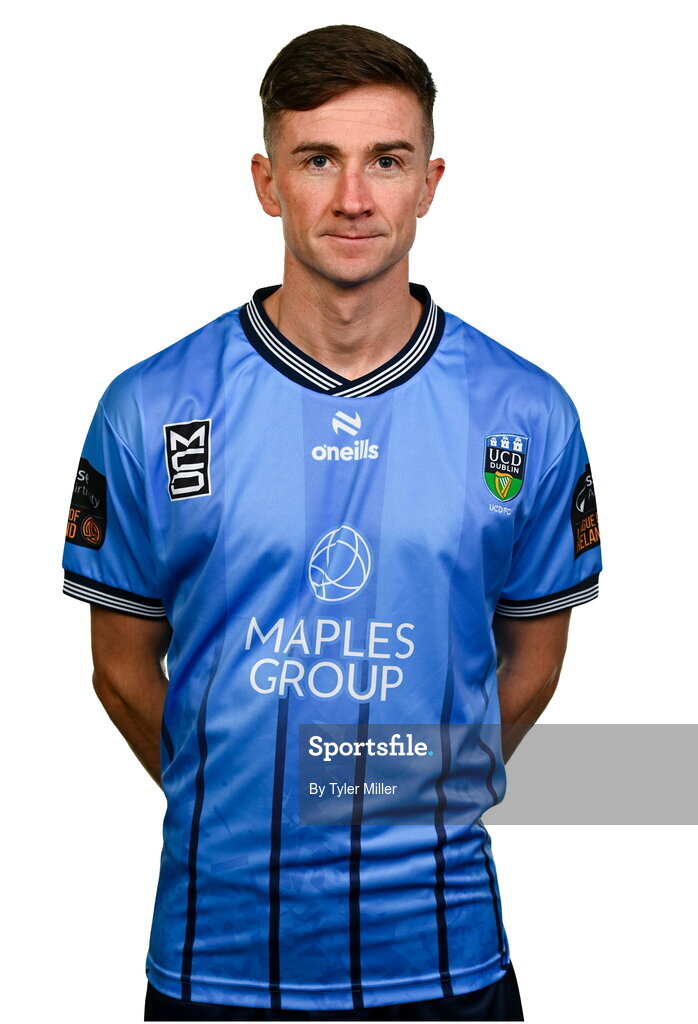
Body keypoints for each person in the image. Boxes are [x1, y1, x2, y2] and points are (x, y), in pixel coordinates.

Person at [61, 24, 602, 1023]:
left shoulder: (523, 414)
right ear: (268, 181)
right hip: (212, 958)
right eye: (318, 160)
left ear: (428, 182)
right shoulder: (149, 407)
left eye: (384, 161)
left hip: (444, 955)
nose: (353, 198)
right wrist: (232, 798)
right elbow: (121, 667)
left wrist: (405, 790)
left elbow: (529, 664)